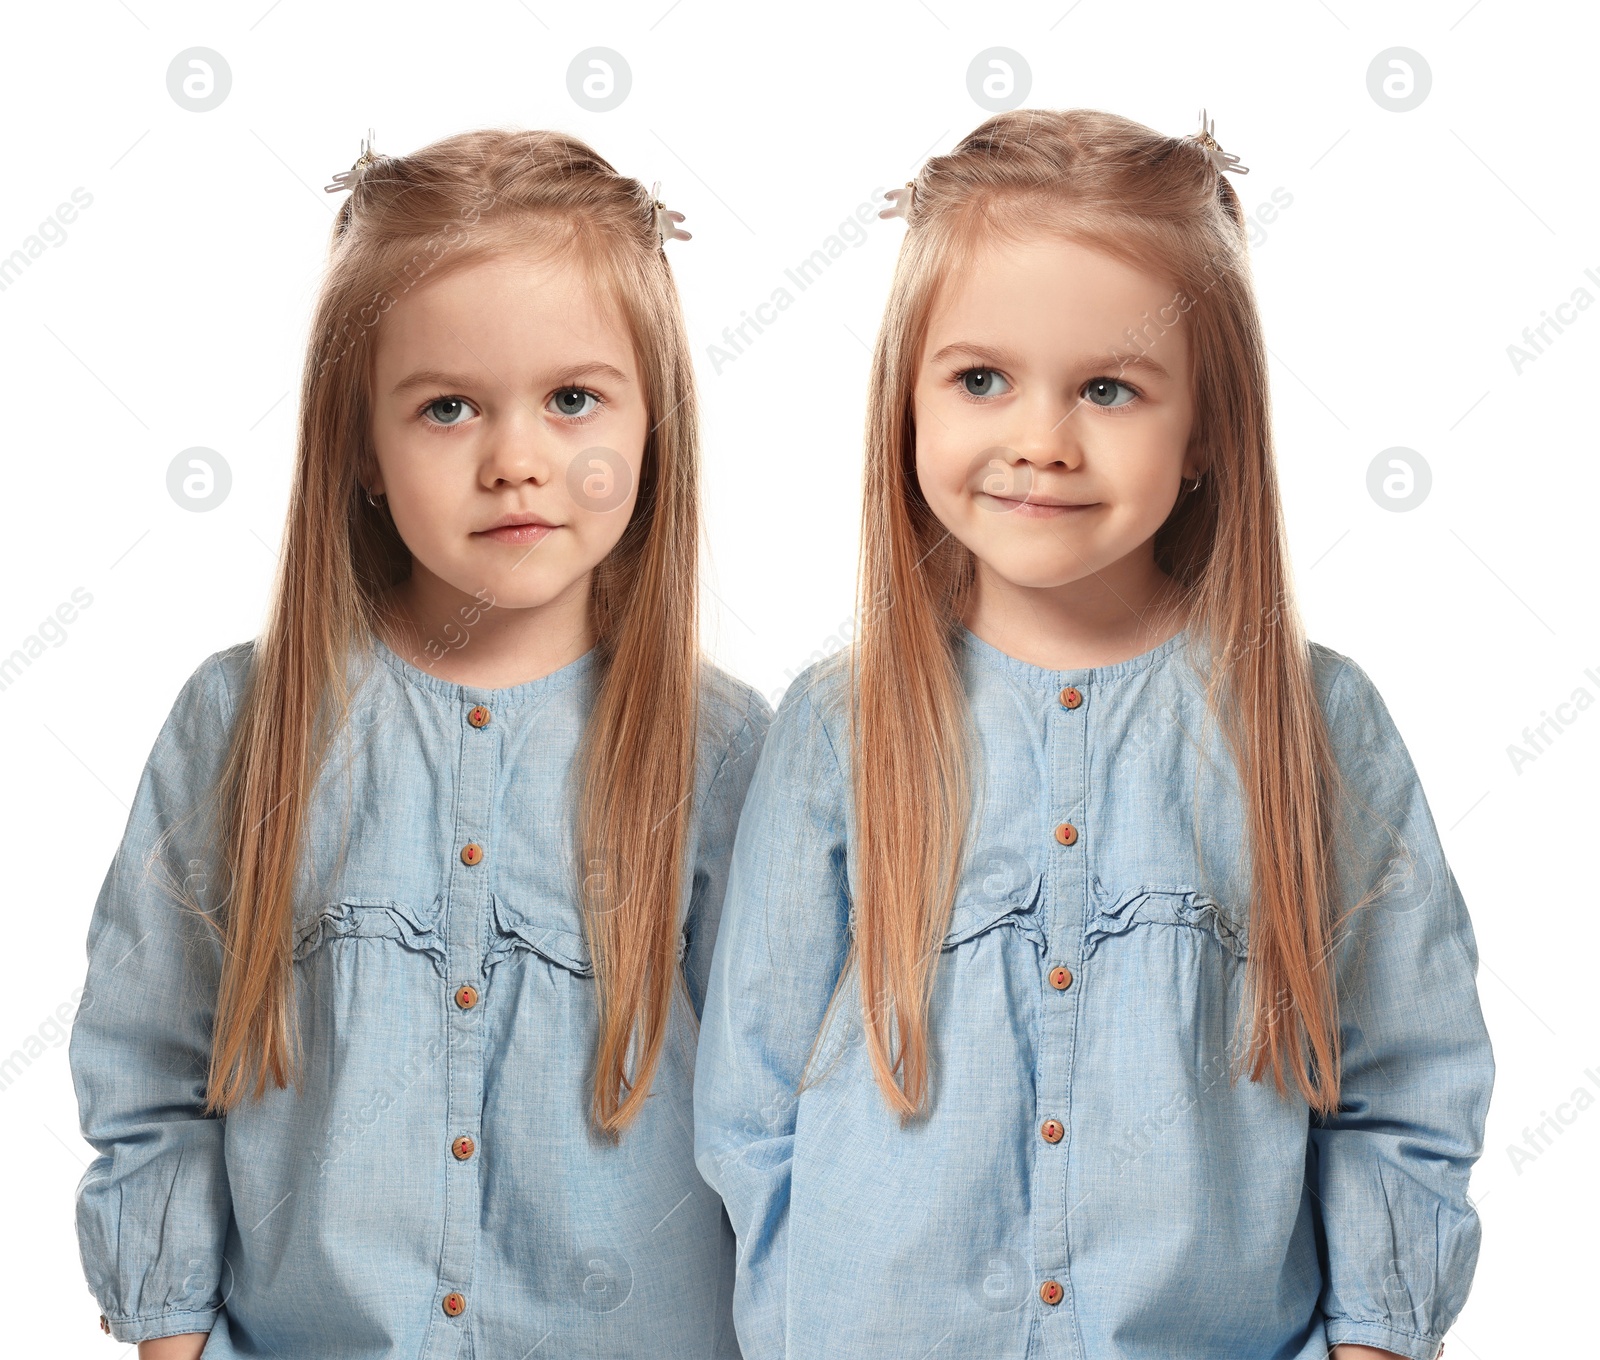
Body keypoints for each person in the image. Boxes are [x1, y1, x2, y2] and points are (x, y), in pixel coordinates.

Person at [694, 107, 1492, 1360]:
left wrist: (1377, 1339)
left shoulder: (1313, 724)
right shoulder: (837, 726)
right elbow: (749, 1100)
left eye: (1108, 388)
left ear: (1208, 428)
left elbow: (1403, 1078)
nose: (1040, 441)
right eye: (980, 379)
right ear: (906, 396)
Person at [69, 127, 767, 1358]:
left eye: (573, 400)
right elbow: (149, 1068)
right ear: (361, 450)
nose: (516, 461)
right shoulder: (242, 726)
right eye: (448, 407)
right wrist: (172, 1339)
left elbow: (790, 1122)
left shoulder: (723, 754)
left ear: (652, 424)